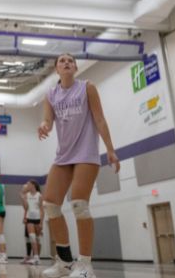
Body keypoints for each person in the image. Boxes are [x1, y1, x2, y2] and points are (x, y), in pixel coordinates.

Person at [39, 53, 121, 278]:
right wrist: (44, 126)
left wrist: (111, 150)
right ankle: (65, 263)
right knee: (50, 204)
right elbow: (47, 119)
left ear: (75, 67)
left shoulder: (87, 87)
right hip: (63, 156)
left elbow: (100, 119)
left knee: (79, 204)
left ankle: (85, 266)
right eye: (62, 61)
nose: (66, 62)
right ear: (56, 69)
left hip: (86, 153)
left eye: (70, 60)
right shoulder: (51, 94)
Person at [21, 180, 43, 265]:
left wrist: (41, 222)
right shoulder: (27, 195)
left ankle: (37, 257)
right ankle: (36, 257)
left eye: (28, 184)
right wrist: (22, 197)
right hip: (29, 218)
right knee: (32, 237)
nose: (27, 185)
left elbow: (41, 210)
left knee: (38, 239)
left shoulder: (39, 195)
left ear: (33, 185)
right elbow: (26, 207)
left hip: (37, 218)